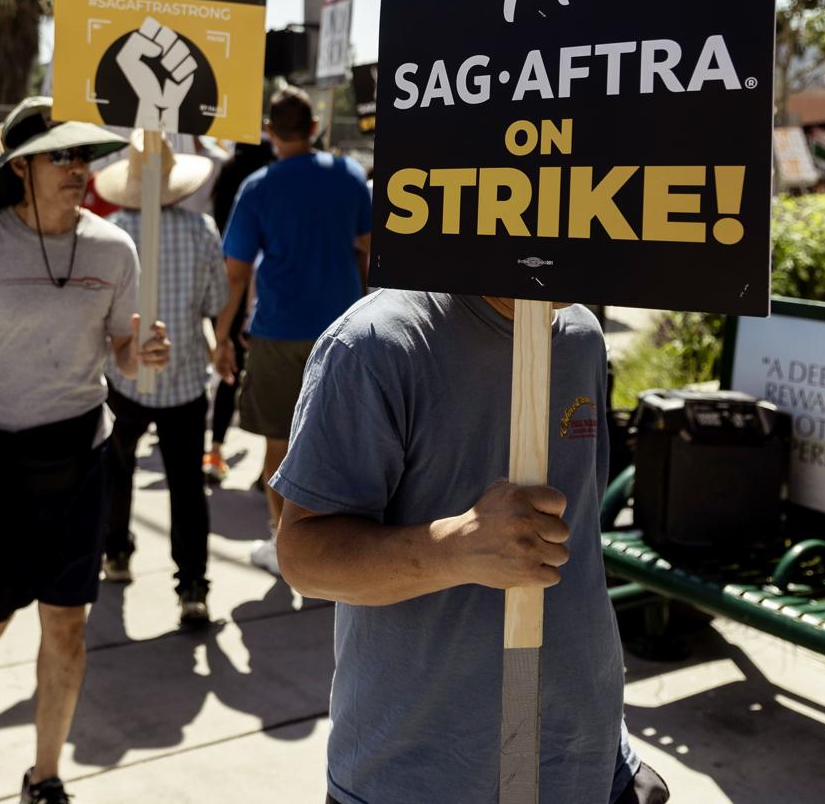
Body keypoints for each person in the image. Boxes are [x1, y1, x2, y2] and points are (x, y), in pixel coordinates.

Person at [274, 294, 666, 804]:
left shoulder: (581, 336)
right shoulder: (376, 344)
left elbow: (579, 537)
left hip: (587, 763)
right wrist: (456, 548)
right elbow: (303, 557)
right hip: (415, 777)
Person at [0, 99, 170, 804]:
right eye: (61, 156)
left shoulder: (114, 248)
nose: (77, 169)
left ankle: (44, 777)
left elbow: (123, 350)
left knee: (67, 630)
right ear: (21, 168)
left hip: (81, 458)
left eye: (83, 155)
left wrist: (140, 350)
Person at [215, 88, 371, 574]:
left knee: (278, 443)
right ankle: (349, 543)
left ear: (269, 132)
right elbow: (368, 247)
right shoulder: (348, 174)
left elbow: (236, 272)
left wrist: (221, 335)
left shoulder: (259, 186)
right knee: (344, 440)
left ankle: (286, 551)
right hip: (344, 329)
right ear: (314, 128)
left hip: (278, 332)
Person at [94, 132, 226, 628]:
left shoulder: (109, 232)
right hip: (186, 378)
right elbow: (214, 303)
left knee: (117, 470)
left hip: (121, 378)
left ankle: (116, 551)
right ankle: (192, 585)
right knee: (186, 487)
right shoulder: (202, 231)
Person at [204, 136, 274, 485]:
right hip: (259, 293)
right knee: (265, 380)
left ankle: (215, 449)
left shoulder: (225, 182)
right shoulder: (262, 189)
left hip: (225, 288)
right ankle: (268, 468)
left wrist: (221, 333)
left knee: (228, 373)